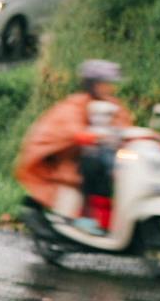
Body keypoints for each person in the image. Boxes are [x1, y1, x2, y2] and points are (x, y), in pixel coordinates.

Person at [14, 58, 136, 234]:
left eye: (109, 84)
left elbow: (125, 126)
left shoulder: (114, 105)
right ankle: (87, 217)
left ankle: (113, 222)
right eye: (104, 84)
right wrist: (89, 136)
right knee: (93, 166)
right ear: (92, 84)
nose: (109, 88)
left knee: (116, 171)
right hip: (71, 158)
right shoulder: (75, 104)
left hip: (105, 156)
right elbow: (70, 128)